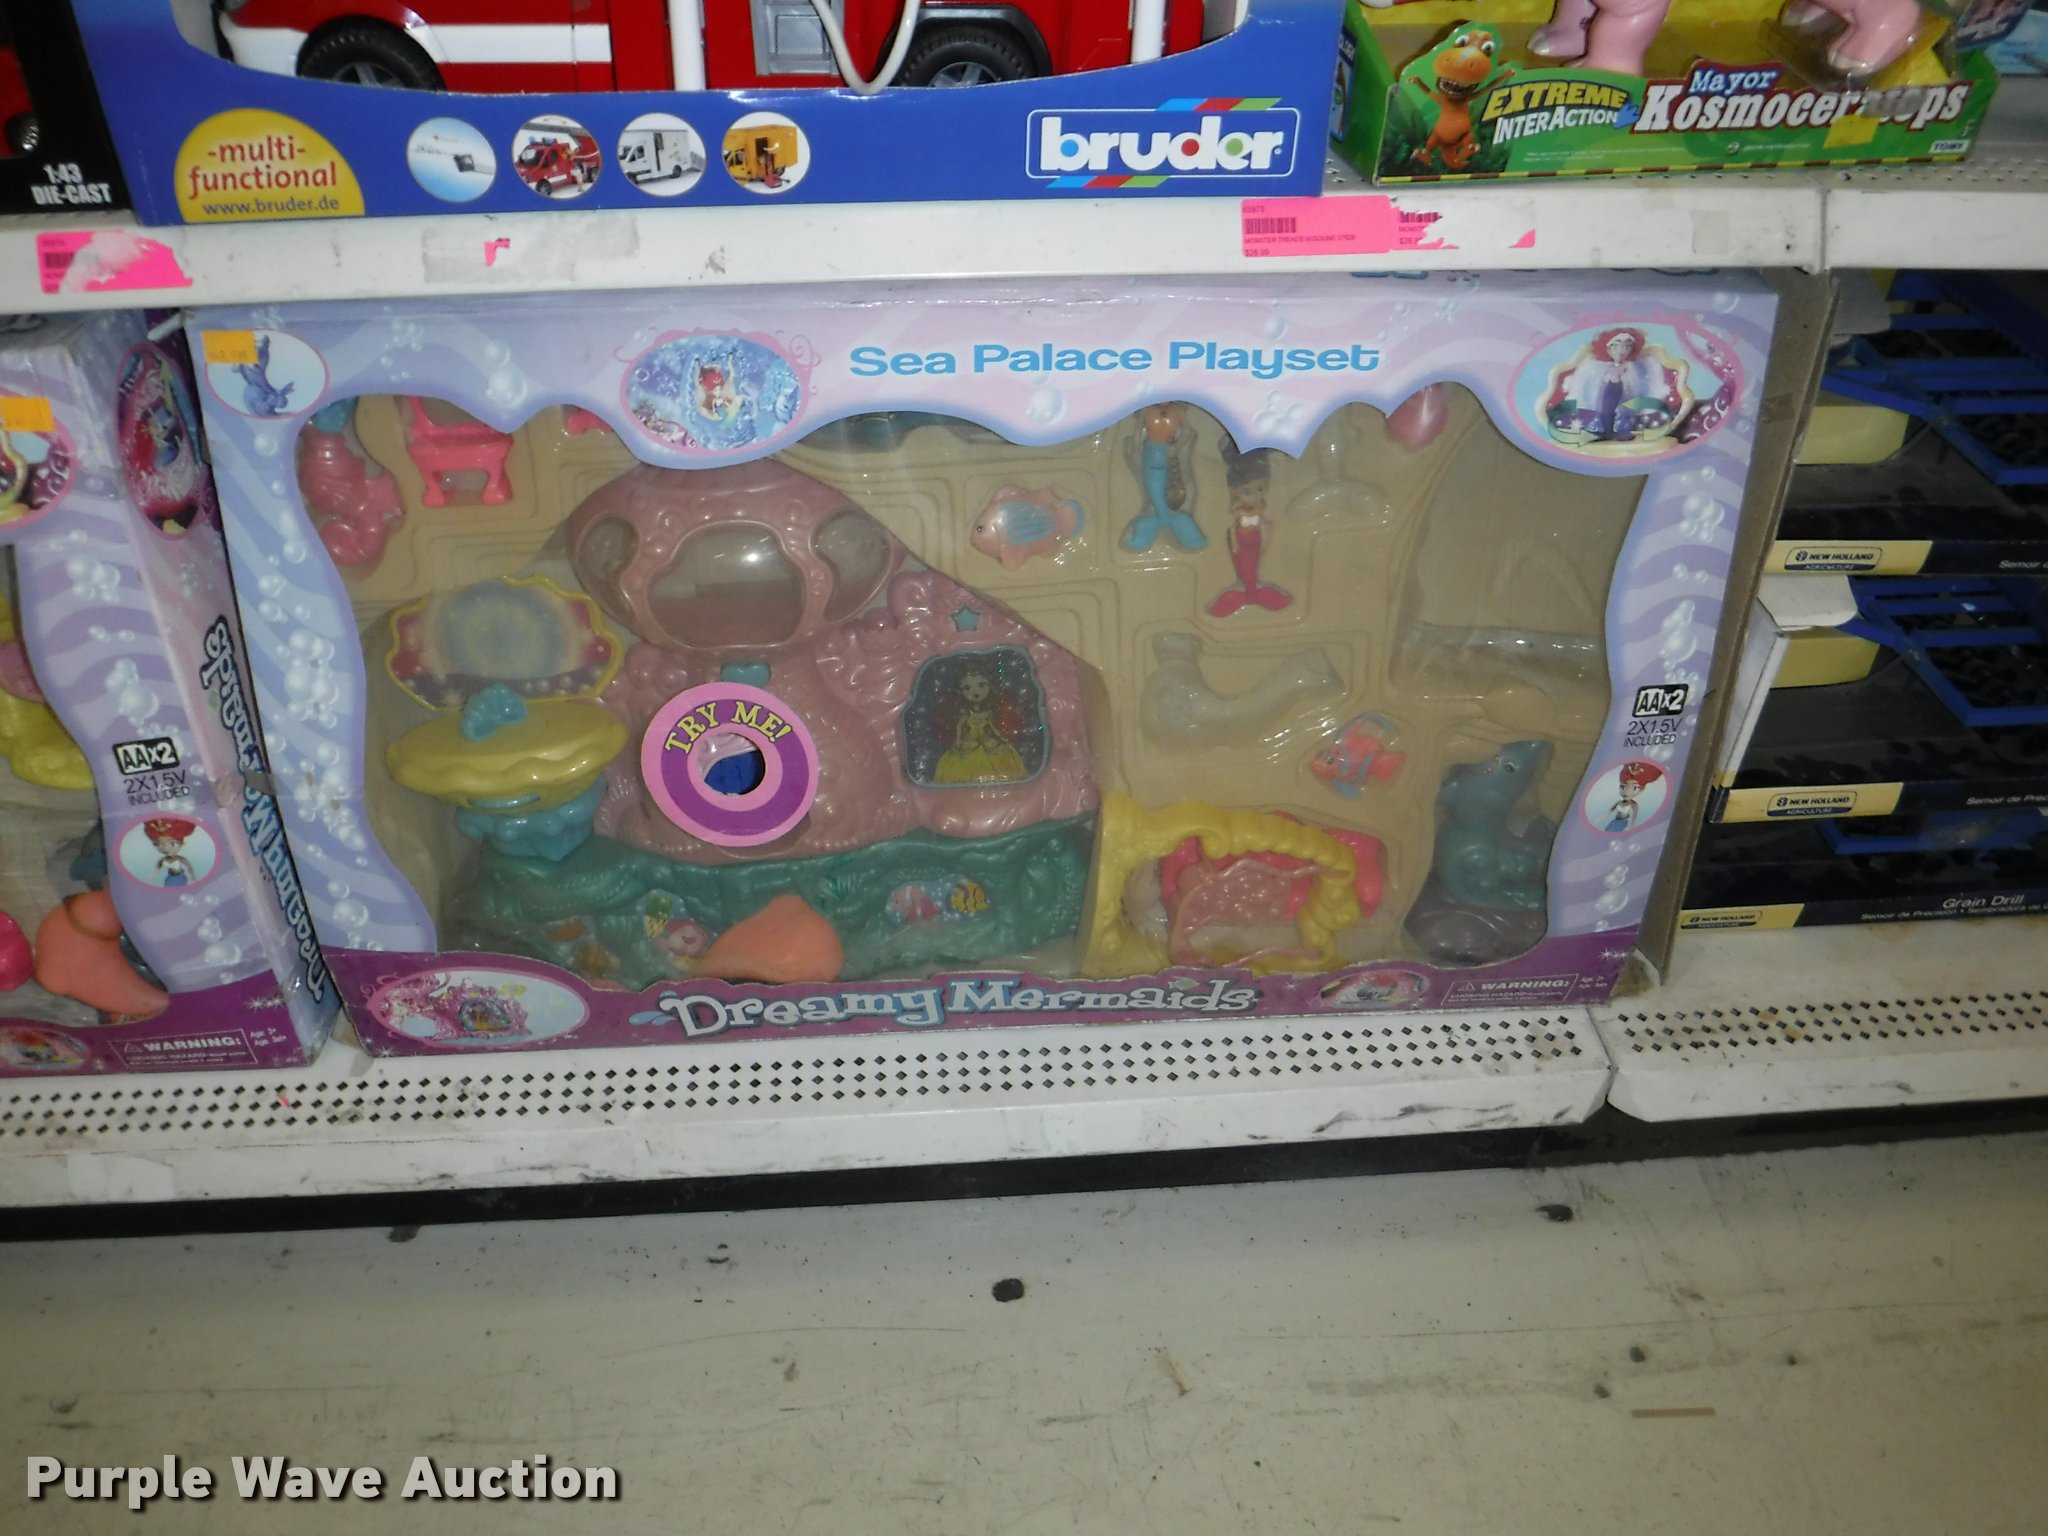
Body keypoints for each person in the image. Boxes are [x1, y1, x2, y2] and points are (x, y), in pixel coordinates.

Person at [933, 668, 1028, 785]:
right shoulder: (965, 714)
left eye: (981, 685)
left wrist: (999, 735)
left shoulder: (991, 712)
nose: (975, 691)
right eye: (967, 688)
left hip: (993, 749)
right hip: (968, 751)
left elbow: (998, 731)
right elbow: (958, 730)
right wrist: (957, 742)